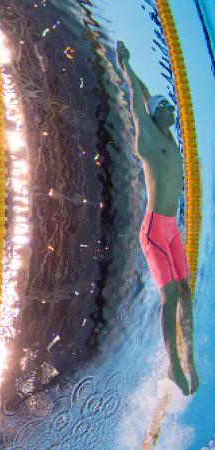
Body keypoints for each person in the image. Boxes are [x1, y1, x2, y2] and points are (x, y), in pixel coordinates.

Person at [118, 41, 198, 395]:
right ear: (158, 114)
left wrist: (142, 82)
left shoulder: (170, 139)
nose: (173, 114)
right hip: (154, 230)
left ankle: (190, 357)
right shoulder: (149, 137)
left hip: (172, 230)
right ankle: (173, 366)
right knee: (170, 295)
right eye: (168, 109)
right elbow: (139, 98)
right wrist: (126, 64)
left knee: (185, 291)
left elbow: (149, 95)